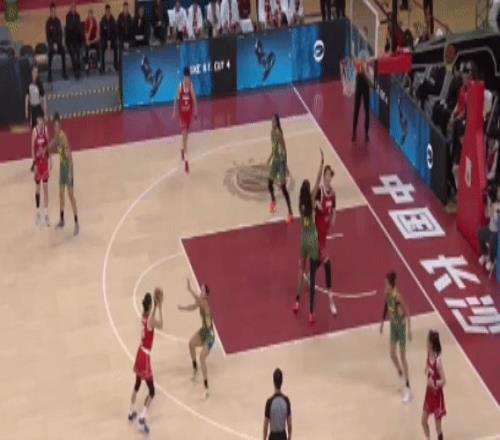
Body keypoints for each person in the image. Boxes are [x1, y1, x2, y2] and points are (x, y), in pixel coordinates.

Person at [293, 149, 324, 324]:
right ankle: (311, 312)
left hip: (303, 238)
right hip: (312, 238)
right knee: (313, 272)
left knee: (301, 270)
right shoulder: (312, 200)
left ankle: (297, 301)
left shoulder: (300, 205)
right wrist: (321, 163)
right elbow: (318, 181)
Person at [128, 289, 163, 434]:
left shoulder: (143, 316)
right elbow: (161, 325)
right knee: (152, 391)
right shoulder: (151, 319)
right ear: (150, 306)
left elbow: (150, 319)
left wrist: (155, 306)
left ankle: (131, 412)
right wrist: (160, 308)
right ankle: (142, 417)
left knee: (137, 383)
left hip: (139, 352)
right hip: (145, 357)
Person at [178, 279, 215, 398]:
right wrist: (183, 308)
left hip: (209, 336)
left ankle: (206, 388)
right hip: (203, 331)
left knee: (202, 358)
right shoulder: (201, 303)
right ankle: (195, 369)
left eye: (203, 290)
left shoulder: (206, 304)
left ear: (206, 295)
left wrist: (190, 290)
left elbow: (198, 301)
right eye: (201, 289)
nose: (200, 291)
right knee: (191, 344)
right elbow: (193, 306)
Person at [380, 271, 412, 404]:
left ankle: (408, 390)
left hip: (401, 327)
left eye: (386, 283)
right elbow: (385, 307)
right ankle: (400, 374)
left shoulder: (397, 296)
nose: (384, 284)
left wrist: (409, 330)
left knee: (403, 357)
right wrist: (382, 322)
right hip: (393, 326)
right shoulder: (386, 294)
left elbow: (407, 311)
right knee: (392, 354)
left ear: (391, 284)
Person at [48, 113, 79, 236]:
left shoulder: (63, 137)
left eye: (57, 126)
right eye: (54, 126)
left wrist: (70, 172)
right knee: (61, 194)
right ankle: (62, 220)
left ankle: (76, 222)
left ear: (60, 125)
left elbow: (69, 154)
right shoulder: (56, 136)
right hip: (62, 167)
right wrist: (45, 149)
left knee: (70, 195)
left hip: (68, 168)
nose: (56, 128)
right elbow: (52, 144)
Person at [314, 165, 337, 315]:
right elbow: (315, 203)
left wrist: (333, 218)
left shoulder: (333, 194)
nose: (328, 177)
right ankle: (331, 301)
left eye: (330, 175)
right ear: (323, 176)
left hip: (324, 236)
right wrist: (319, 207)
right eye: (326, 175)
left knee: (317, 262)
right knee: (328, 265)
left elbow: (334, 208)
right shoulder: (320, 191)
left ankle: (309, 274)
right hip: (317, 236)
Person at [267, 114, 293, 223]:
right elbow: (274, 147)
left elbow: (284, 150)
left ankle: (290, 212)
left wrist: (285, 166)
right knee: (269, 183)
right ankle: (273, 201)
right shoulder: (272, 132)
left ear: (277, 122)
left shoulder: (278, 133)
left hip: (281, 162)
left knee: (283, 188)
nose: (272, 123)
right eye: (272, 121)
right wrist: (270, 158)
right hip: (275, 160)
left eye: (274, 121)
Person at [172, 66, 198, 174]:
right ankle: (186, 162)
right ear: (184, 78)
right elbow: (176, 100)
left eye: (188, 78)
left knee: (186, 138)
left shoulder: (191, 87)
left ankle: (182, 150)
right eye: (186, 78)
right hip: (182, 115)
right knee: (184, 135)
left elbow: (194, 100)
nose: (187, 80)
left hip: (189, 115)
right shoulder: (180, 87)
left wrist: (196, 112)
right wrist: (174, 112)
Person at [422, 330, 446, 440]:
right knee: (423, 421)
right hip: (429, 394)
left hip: (437, 397)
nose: (426, 342)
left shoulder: (438, 361)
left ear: (431, 344)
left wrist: (434, 383)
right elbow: (427, 363)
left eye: (427, 340)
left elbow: (444, 381)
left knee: (438, 428)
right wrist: (426, 368)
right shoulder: (428, 354)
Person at [31, 114, 52, 227]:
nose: (41, 123)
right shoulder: (34, 132)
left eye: (42, 121)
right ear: (37, 121)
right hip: (38, 164)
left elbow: (48, 145)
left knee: (46, 188)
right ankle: (38, 213)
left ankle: (46, 214)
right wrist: (34, 164)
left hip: (44, 163)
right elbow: (32, 148)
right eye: (39, 121)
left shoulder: (45, 130)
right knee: (38, 189)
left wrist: (50, 160)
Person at [263, 368, 292, 440]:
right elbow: (289, 424)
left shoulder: (269, 402)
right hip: (282, 436)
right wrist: (289, 437)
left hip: (273, 436)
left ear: (273, 382)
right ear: (282, 382)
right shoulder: (286, 401)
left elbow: (265, 425)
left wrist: (264, 438)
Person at [478, 185, 500, 271]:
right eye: (498, 192)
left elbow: (496, 222)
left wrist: (496, 212)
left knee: (492, 238)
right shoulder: (493, 203)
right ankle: (485, 254)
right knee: (481, 232)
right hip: (490, 229)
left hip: (497, 232)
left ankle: (491, 260)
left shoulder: (498, 207)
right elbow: (487, 215)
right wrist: (488, 204)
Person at [352, 51, 371, 143]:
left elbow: (355, 64)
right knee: (366, 110)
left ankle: (354, 133)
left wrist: (354, 58)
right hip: (364, 88)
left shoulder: (359, 66)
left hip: (360, 88)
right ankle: (365, 134)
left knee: (357, 110)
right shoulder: (367, 67)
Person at [46, 3, 68, 82]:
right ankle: (49, 75)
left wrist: (58, 44)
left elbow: (60, 34)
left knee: (63, 52)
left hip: (58, 44)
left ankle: (64, 72)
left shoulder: (58, 21)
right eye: (52, 11)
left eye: (55, 11)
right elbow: (48, 36)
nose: (54, 12)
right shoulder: (48, 22)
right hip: (51, 45)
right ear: (50, 12)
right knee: (49, 55)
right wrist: (53, 44)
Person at [65, 1, 82, 79]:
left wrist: (74, 26)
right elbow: (69, 28)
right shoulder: (67, 16)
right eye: (72, 7)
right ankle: (76, 70)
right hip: (70, 40)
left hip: (77, 39)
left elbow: (79, 28)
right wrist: (75, 25)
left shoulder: (78, 16)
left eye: (75, 7)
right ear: (70, 8)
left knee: (78, 51)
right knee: (72, 52)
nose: (74, 8)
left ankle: (77, 67)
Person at [100, 4, 118, 72]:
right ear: (105, 11)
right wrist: (107, 41)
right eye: (107, 11)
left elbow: (114, 32)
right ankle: (102, 66)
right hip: (105, 40)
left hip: (112, 40)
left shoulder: (113, 19)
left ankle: (115, 65)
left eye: (109, 11)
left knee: (116, 47)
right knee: (102, 48)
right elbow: (101, 33)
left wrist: (110, 41)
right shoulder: (102, 20)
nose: (108, 12)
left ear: (110, 11)